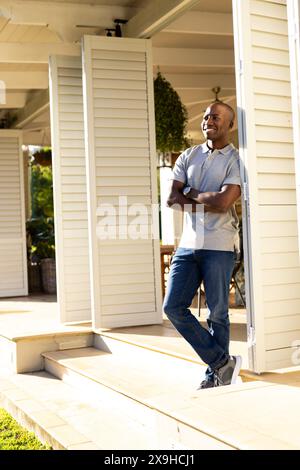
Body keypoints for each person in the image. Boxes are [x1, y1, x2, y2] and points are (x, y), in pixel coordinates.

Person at [163, 101, 242, 389]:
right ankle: (222, 362)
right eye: (207, 116)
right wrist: (203, 198)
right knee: (173, 307)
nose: (209, 119)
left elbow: (224, 203)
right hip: (188, 245)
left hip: (219, 244)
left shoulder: (235, 160)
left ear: (229, 125)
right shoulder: (188, 155)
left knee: (217, 312)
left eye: (216, 116)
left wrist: (191, 193)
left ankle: (217, 377)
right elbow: (172, 199)